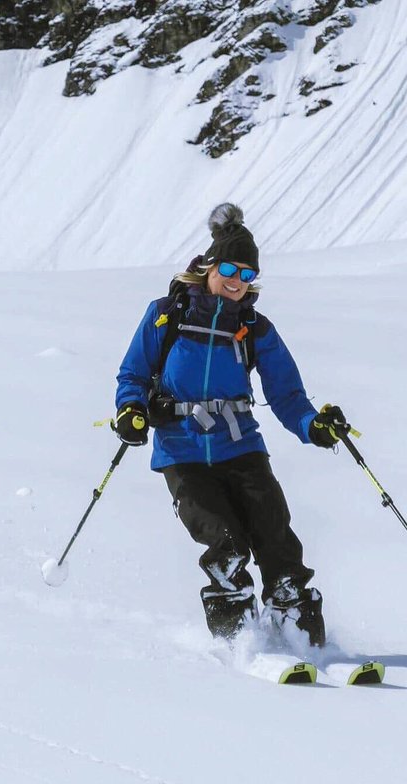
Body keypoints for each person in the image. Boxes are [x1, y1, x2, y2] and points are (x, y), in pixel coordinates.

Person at [113, 203, 347, 644]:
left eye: (246, 274)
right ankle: (239, 644)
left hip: (240, 447)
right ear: (208, 265)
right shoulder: (168, 315)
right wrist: (131, 410)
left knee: (276, 536)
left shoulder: (255, 329)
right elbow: (133, 374)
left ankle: (302, 637)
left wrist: (314, 426)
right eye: (228, 268)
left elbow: (287, 394)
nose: (236, 281)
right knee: (226, 545)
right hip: (181, 451)